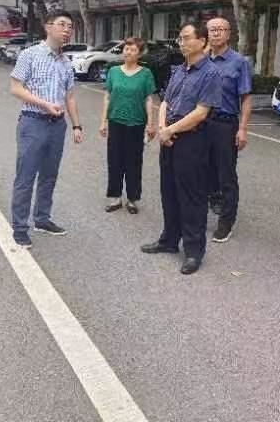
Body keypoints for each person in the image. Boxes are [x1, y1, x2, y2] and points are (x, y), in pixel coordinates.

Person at [140, 21, 221, 275]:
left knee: (192, 196)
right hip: (169, 138)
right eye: (180, 38)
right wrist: (163, 127)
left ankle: (194, 250)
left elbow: (201, 112)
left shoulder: (211, 73)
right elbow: (165, 101)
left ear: (202, 41)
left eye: (186, 37)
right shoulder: (179, 70)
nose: (182, 42)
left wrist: (170, 130)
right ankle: (169, 240)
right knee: (169, 191)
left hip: (192, 140)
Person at [9, 11, 84, 248]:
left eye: (70, 26)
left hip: (57, 126)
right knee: (26, 176)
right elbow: (15, 88)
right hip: (33, 122)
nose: (67, 30)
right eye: (62, 25)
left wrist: (77, 125)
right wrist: (43, 104)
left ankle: (42, 219)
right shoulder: (29, 55)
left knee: (49, 176)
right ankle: (20, 228)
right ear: (48, 27)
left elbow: (70, 97)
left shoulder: (66, 62)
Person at [206, 16, 253, 243]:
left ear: (228, 33)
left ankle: (226, 222)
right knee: (202, 170)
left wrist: (242, 128)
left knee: (226, 175)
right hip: (201, 123)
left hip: (225, 124)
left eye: (220, 29)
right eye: (212, 30)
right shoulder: (202, 60)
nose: (215, 33)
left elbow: (246, 98)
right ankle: (208, 204)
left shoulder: (239, 62)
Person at [99, 38, 157, 214]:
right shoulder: (114, 71)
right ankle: (115, 197)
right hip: (116, 121)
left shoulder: (146, 74)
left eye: (132, 50)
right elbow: (107, 96)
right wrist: (103, 121)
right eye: (126, 49)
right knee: (114, 160)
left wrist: (150, 123)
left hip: (136, 123)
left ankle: (132, 199)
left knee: (134, 162)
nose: (128, 52)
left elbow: (149, 99)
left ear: (139, 54)